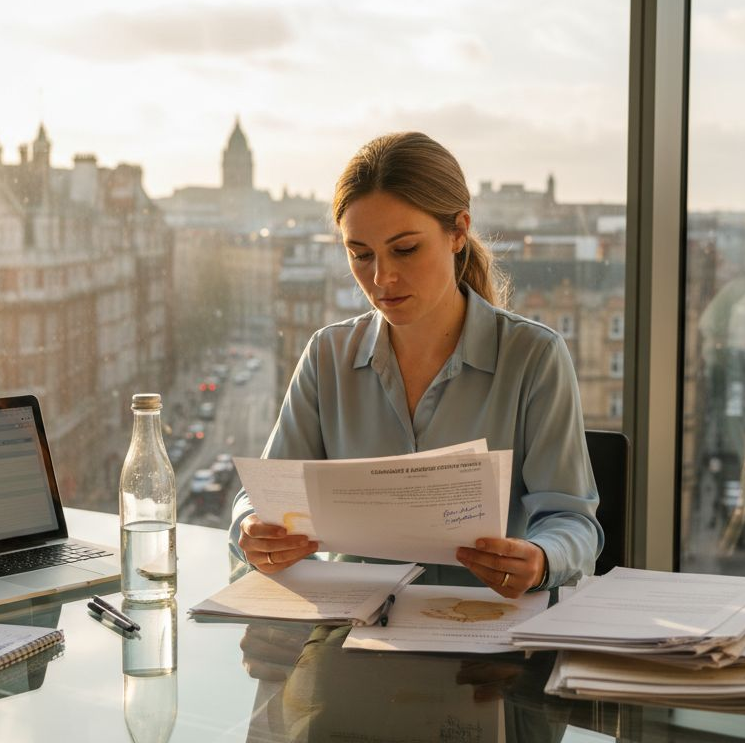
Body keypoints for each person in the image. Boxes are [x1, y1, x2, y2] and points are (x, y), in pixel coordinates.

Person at [228, 131, 602, 597]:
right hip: (351, 631)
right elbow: (263, 498)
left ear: (458, 231)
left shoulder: (534, 356)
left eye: (405, 249)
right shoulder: (327, 356)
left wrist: (543, 559)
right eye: (360, 255)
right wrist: (252, 530)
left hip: (486, 627)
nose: (381, 278)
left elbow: (573, 522)